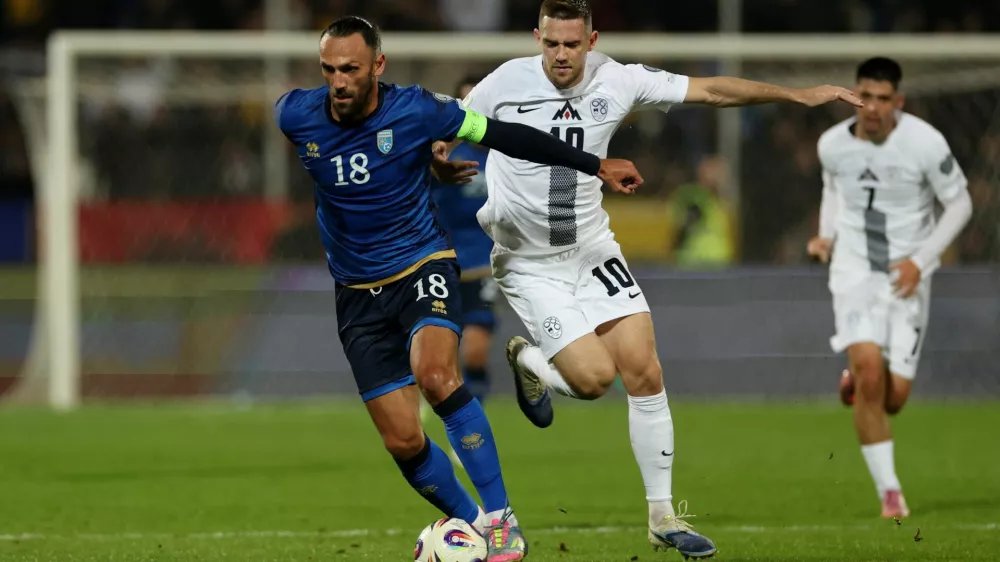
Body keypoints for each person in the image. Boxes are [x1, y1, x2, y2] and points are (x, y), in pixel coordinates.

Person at [448, 0, 862, 557]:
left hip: (590, 249)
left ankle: (663, 516)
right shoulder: (504, 82)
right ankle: (529, 360)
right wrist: (437, 159)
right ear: (536, 38)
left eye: (572, 44)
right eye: (551, 43)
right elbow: (447, 127)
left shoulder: (618, 79)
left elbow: (712, 90)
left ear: (592, 41)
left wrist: (797, 95)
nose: (562, 55)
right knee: (594, 380)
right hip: (528, 260)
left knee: (644, 369)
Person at [274, 16, 642, 561]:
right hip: (354, 291)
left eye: (350, 69)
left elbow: (504, 135)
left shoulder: (419, 109)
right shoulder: (295, 115)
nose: (338, 82)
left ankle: (501, 519)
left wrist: (594, 164)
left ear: (378, 65)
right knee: (402, 439)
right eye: (329, 70)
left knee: (436, 375)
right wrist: (431, 167)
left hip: (421, 264)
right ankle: (473, 527)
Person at [807, 57, 972, 519]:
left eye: (883, 99)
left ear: (898, 101)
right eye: (866, 96)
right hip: (854, 270)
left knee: (893, 398)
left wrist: (921, 261)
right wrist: (826, 236)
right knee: (869, 373)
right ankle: (891, 494)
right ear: (854, 95)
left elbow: (960, 203)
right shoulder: (832, 144)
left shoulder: (925, 143)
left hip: (906, 275)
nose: (873, 107)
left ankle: (860, 383)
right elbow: (833, 189)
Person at [422, 75, 498, 466]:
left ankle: (470, 436)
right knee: (440, 357)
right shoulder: (442, 154)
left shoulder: (505, 157)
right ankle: (447, 415)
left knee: (476, 350)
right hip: (444, 263)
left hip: (484, 266)